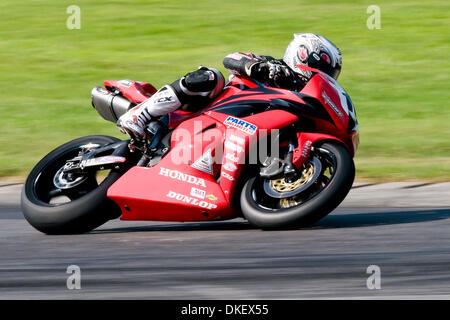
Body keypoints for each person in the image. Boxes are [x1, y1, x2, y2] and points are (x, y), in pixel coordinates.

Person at [117, 33, 342, 139]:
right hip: (212, 108)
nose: (326, 75)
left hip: (239, 129)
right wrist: (256, 66)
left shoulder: (300, 95)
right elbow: (231, 58)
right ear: (305, 54)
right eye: (325, 68)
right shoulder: (272, 64)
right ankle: (140, 114)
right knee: (212, 77)